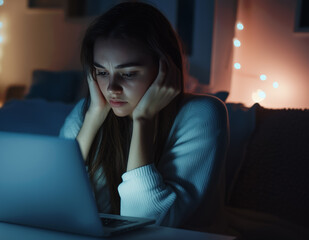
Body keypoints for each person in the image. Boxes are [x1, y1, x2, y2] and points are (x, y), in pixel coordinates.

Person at [59, 2, 229, 232]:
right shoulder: (87, 111)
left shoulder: (203, 113)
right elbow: (57, 203)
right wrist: (93, 117)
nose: (112, 89)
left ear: (165, 69)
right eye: (101, 72)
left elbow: (145, 223)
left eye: (128, 73)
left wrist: (143, 120)